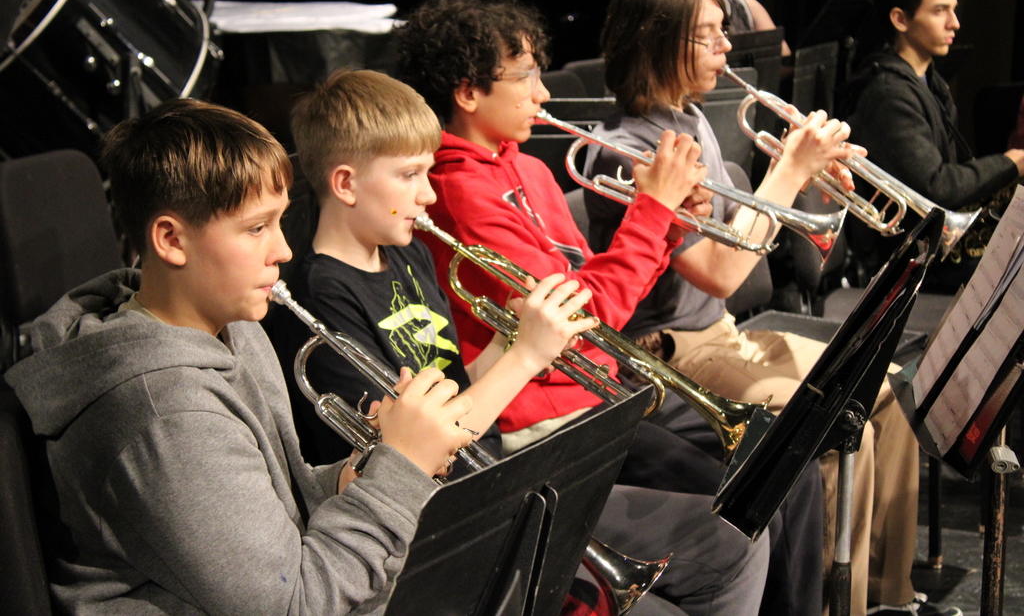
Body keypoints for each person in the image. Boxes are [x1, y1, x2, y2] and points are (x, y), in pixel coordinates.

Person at [274, 67, 770, 616]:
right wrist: (527, 355)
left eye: (429, 172)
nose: (429, 192)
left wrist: (520, 337)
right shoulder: (321, 297)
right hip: (440, 522)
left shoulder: (405, 252)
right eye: (411, 175)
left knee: (735, 542)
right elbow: (412, 449)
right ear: (345, 184)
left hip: (500, 481)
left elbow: (461, 384)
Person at [394, 0, 825, 616]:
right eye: (526, 77)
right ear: (468, 93)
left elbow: (597, 282)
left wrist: (671, 222)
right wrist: (652, 212)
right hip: (548, 424)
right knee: (751, 512)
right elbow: (584, 320)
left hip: (601, 398)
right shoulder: (457, 192)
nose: (543, 94)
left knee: (789, 477)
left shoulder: (532, 171)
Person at [2, 99, 478, 615]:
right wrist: (400, 469)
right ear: (170, 239)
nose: (283, 251)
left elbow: (274, 509)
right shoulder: (168, 415)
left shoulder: (234, 328)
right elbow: (294, 605)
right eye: (256, 229)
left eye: (280, 223)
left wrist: (362, 471)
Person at [584, 0, 953, 616]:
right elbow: (726, 270)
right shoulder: (632, 150)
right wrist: (787, 169)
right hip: (669, 359)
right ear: (659, 38)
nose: (729, 49)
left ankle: (878, 597)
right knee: (841, 425)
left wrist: (816, 180)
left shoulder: (694, 121)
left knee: (890, 387)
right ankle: (824, 602)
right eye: (709, 35)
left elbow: (758, 232)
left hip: (721, 338)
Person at [838, 0, 1024, 291]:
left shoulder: (928, 80)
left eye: (953, 10)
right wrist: (1011, 163)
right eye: (940, 11)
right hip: (913, 265)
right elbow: (937, 188)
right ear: (900, 19)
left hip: (937, 250)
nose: (955, 23)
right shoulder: (888, 95)